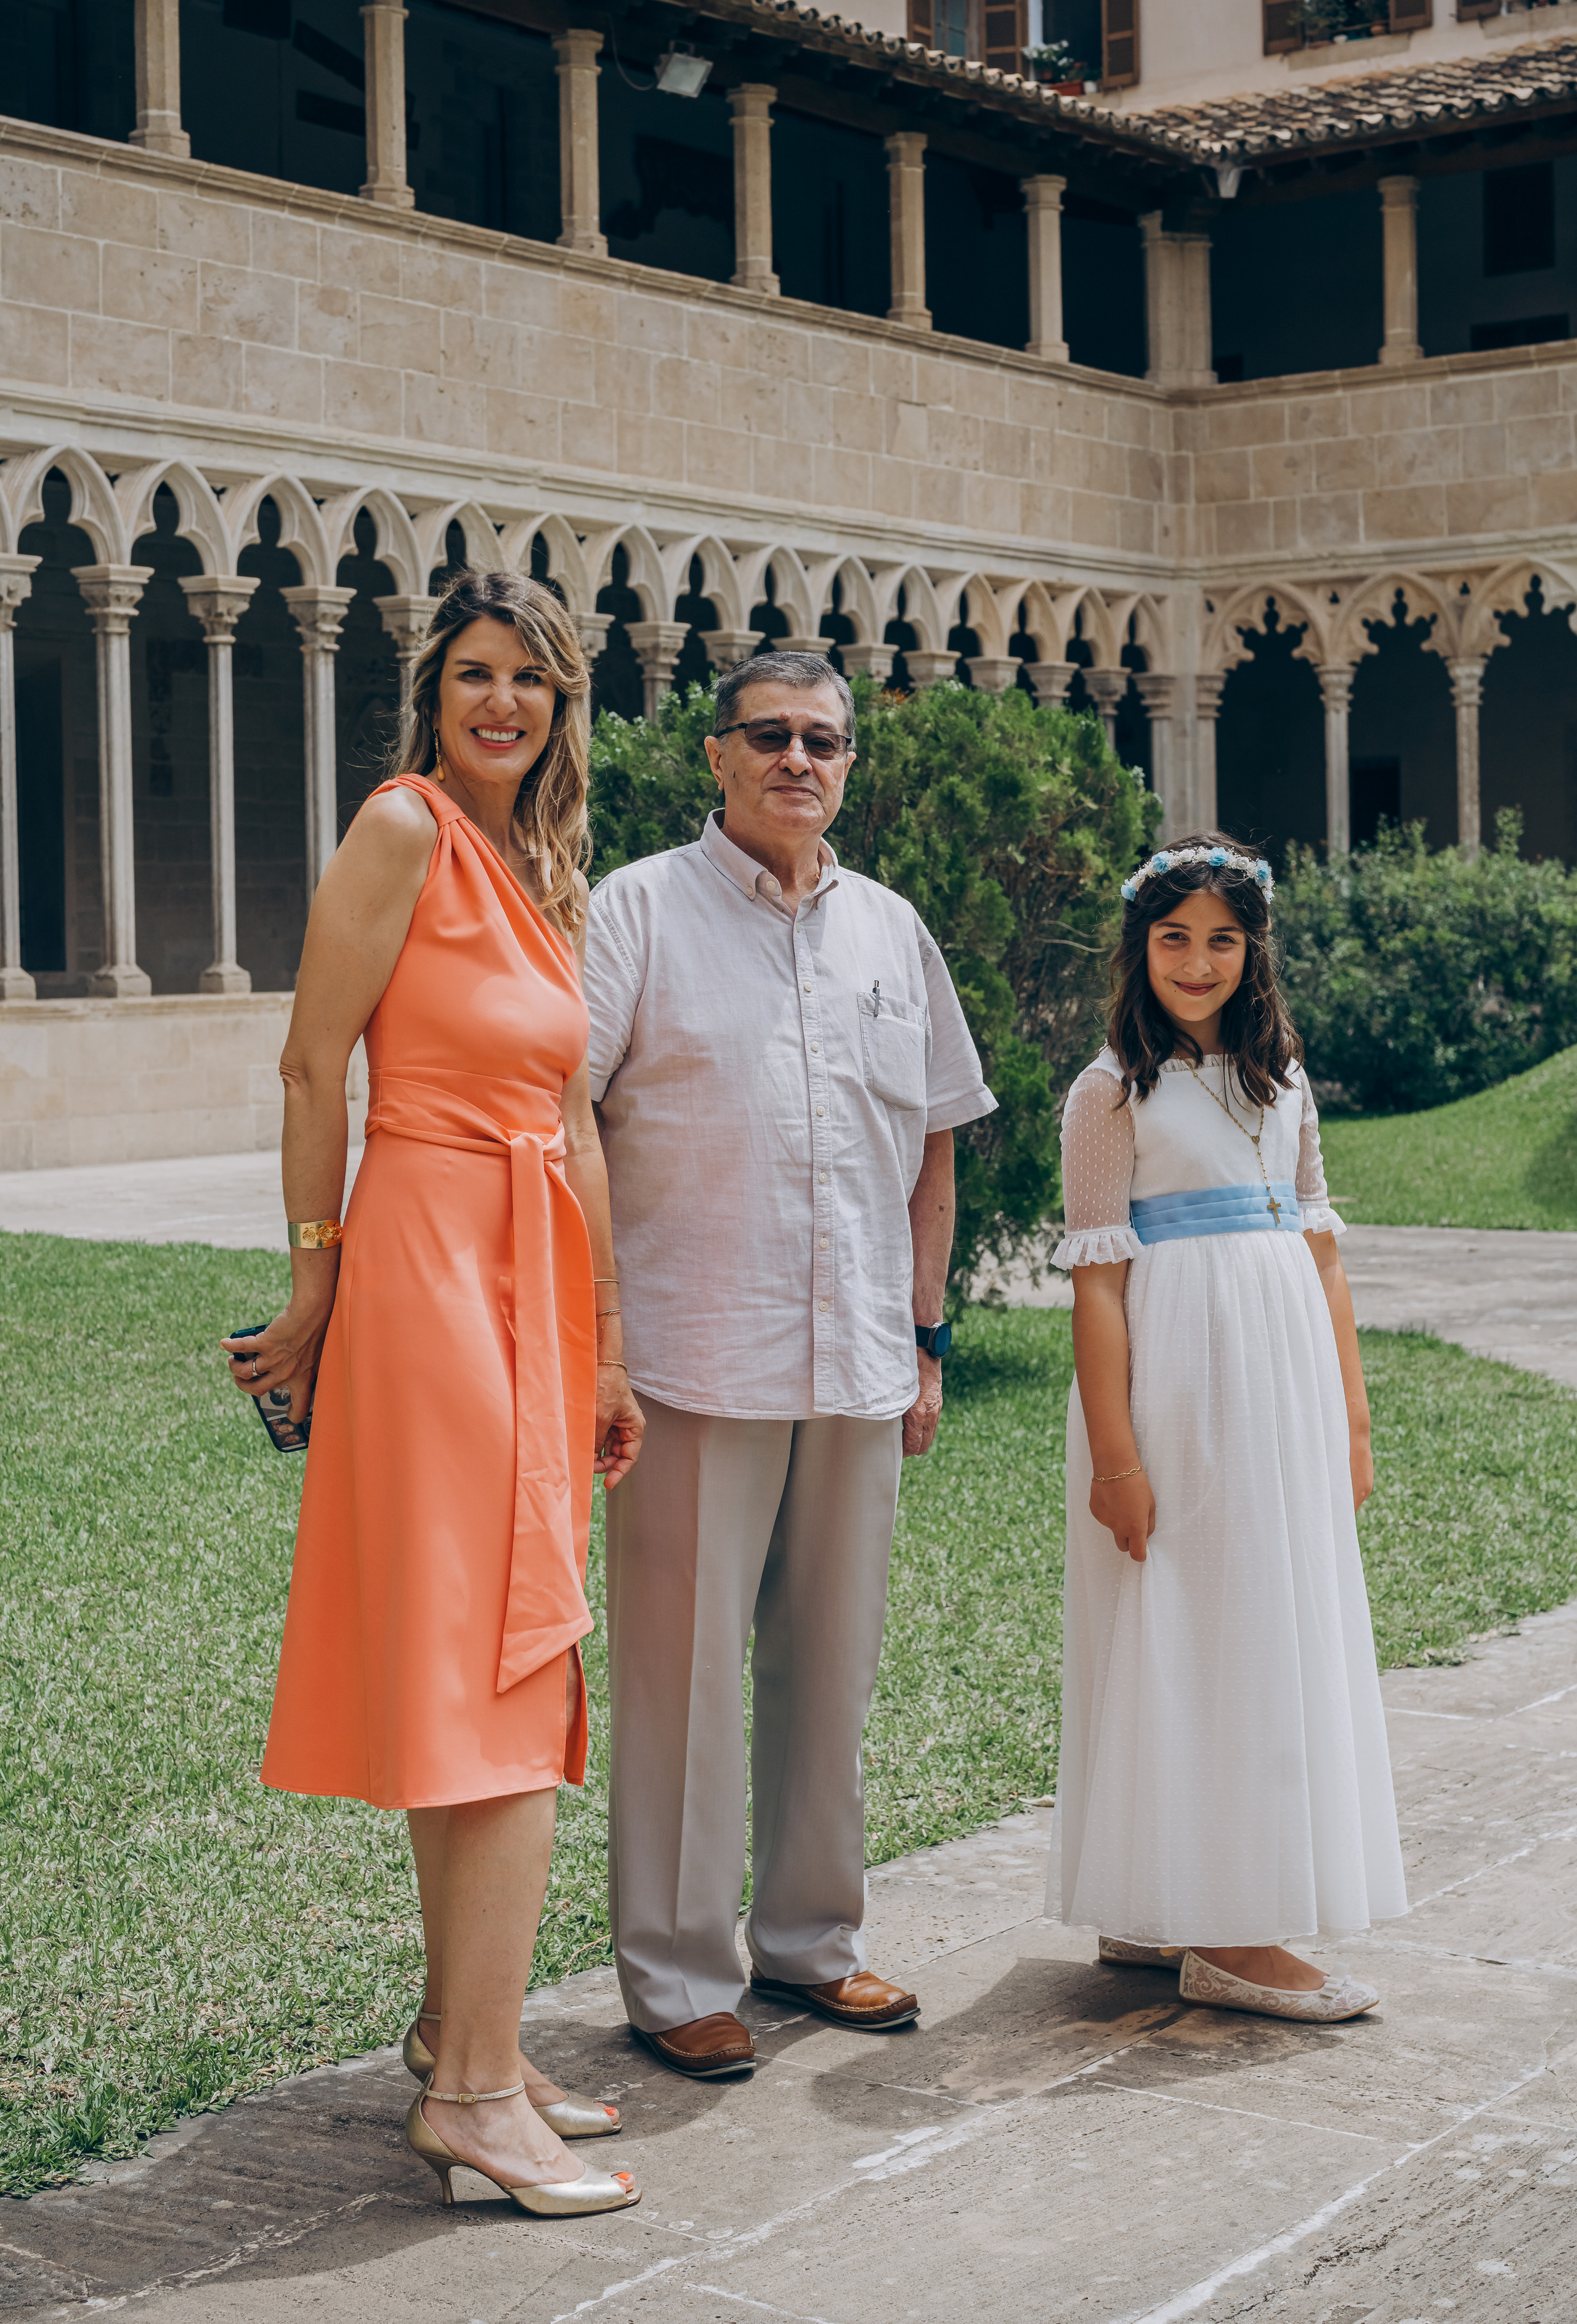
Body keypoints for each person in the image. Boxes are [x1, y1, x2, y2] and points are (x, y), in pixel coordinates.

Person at [223, 570, 646, 2215]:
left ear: (561, 702)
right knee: (504, 1671)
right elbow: (312, 1059)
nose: (503, 702)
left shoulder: (547, 867)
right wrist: (320, 1278)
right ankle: (473, 2093)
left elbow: (583, 1122)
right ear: (433, 692)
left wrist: (602, 1342)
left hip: (534, 1278)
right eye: (475, 673)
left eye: (530, 677)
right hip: (426, 1272)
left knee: (493, 1657)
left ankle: (461, 2031)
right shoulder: (401, 825)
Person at [583, 651, 996, 2078]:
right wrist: (601, 1346)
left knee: (831, 1670)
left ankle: (811, 1943)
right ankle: (677, 1971)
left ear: (847, 765)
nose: (796, 760)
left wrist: (928, 1340)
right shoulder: (634, 909)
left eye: (822, 739)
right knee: (681, 1680)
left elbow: (933, 1143)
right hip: (695, 1357)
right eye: (769, 735)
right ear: (716, 754)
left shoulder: (891, 929)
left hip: (862, 1360)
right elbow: (563, 1126)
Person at [1050, 833, 1408, 2021]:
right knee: (1189, 1624)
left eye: (1220, 939)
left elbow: (1324, 1254)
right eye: (1173, 939)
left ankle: (1168, 1904)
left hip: (1283, 1381)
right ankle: (1230, 1934)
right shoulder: (1113, 1092)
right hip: (1182, 1387)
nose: (1196, 962)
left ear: (1252, 952)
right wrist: (1117, 1457)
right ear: (1137, 949)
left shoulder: (1282, 1081)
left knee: (1261, 1616)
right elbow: (1099, 1283)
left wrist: (1349, 1419)